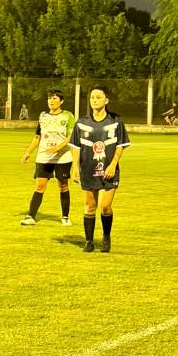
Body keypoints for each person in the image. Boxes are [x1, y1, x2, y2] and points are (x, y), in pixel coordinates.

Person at [69, 85, 131, 253]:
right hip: (88, 169)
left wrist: (113, 164)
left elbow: (120, 145)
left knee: (105, 206)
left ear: (106, 100)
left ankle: (106, 236)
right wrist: (75, 168)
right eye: (92, 97)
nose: (94, 100)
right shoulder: (81, 123)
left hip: (109, 170)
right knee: (89, 206)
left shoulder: (115, 121)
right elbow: (75, 147)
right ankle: (89, 241)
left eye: (98, 97)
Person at [20, 89, 75, 226]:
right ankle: (31, 216)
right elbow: (37, 136)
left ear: (61, 101)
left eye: (55, 98)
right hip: (44, 156)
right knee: (39, 186)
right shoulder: (43, 116)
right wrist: (28, 152)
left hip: (63, 156)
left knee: (63, 185)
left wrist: (58, 148)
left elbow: (71, 136)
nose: (51, 101)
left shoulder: (67, 116)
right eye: (50, 98)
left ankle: (65, 217)